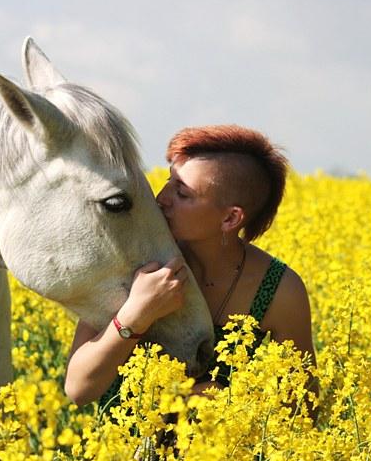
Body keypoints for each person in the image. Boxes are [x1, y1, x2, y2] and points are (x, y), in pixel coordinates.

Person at [64, 124, 318, 408]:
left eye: (182, 194)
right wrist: (137, 312)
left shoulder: (279, 292)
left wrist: (228, 401)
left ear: (230, 219)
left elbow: (303, 406)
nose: (161, 199)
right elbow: (78, 389)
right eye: (169, 181)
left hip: (223, 452)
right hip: (119, 451)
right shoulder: (130, 259)